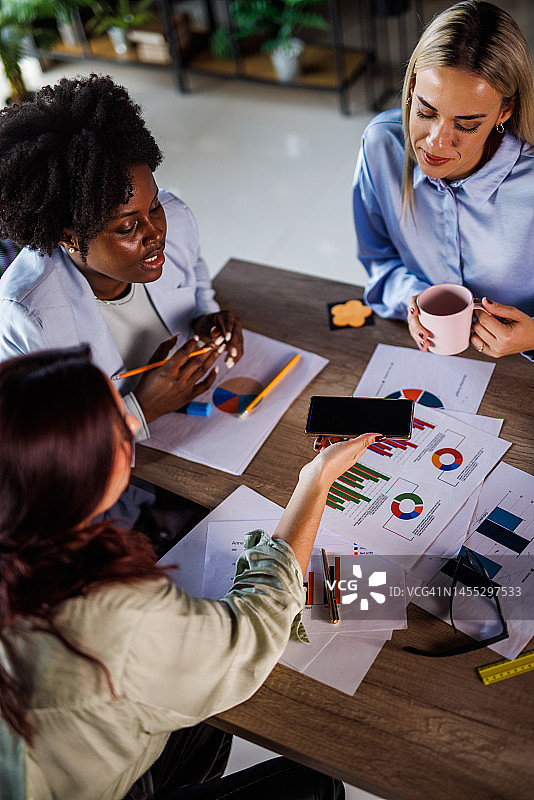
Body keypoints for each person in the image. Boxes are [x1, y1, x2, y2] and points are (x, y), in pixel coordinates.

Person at [0, 346, 380, 799]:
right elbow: (254, 630)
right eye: (118, 424)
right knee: (315, 784)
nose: (136, 423)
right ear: (77, 472)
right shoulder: (105, 614)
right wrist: (315, 482)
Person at [0, 74, 244, 440]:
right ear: (69, 237)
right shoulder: (27, 314)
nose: (156, 232)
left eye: (155, 205)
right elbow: (43, 442)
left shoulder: (174, 219)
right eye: (128, 227)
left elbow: (193, 269)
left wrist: (204, 313)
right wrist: (143, 409)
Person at [352, 0, 534, 360]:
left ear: (505, 110)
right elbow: (378, 262)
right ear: (412, 84)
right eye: (424, 110)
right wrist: (410, 296)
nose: (436, 142)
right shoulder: (381, 145)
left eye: (466, 124)